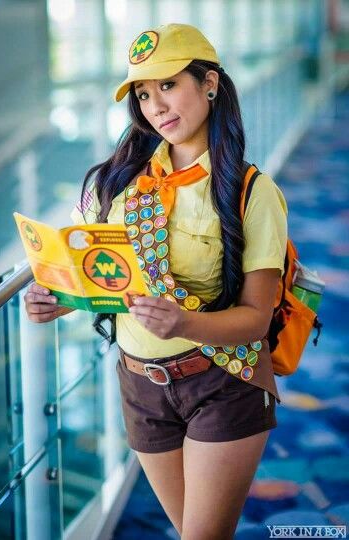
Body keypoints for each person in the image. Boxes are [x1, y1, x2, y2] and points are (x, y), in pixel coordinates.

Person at [25, 23, 288, 540]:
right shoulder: (117, 182)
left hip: (220, 381)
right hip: (140, 387)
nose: (155, 106)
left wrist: (185, 321)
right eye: (143, 94)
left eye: (168, 85)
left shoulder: (252, 192)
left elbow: (257, 319)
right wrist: (61, 298)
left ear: (209, 83)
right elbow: (104, 275)